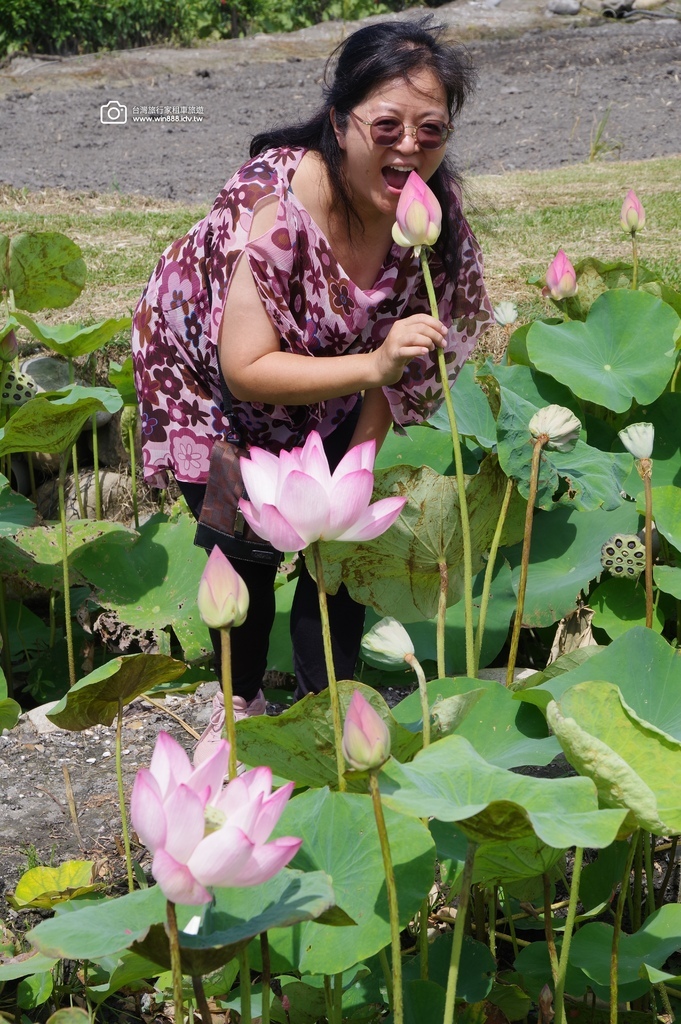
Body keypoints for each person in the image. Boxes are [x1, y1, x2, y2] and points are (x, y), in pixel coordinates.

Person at [131, 16, 492, 764]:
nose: (409, 147)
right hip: (210, 389)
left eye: (431, 129)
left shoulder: (432, 220)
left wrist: (348, 479)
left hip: (333, 380)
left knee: (338, 561)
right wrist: (371, 363)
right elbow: (247, 366)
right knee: (250, 561)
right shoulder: (272, 206)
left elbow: (408, 369)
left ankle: (332, 712)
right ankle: (239, 713)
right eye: (386, 125)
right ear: (339, 120)